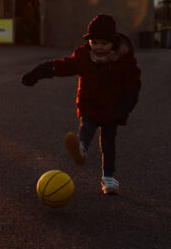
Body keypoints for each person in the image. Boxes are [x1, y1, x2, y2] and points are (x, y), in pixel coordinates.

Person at [21, 13, 141, 195]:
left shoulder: (124, 62)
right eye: (94, 43)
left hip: (113, 110)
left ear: (113, 44)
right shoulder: (84, 57)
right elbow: (60, 67)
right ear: (89, 42)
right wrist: (36, 73)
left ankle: (108, 179)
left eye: (104, 43)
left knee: (108, 144)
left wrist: (124, 109)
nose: (98, 47)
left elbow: (132, 87)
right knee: (87, 126)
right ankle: (81, 148)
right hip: (89, 105)